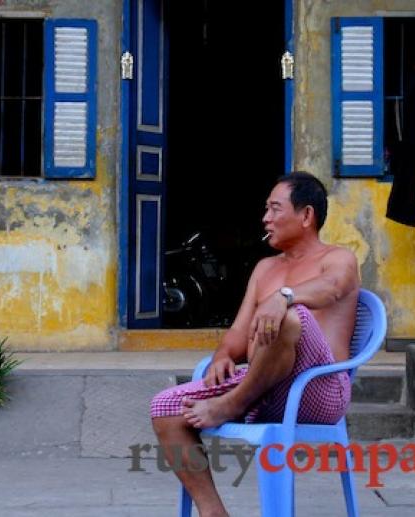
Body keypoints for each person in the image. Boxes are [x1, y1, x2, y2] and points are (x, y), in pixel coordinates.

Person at [150, 172, 359, 517]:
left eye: (275, 209)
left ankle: (233, 402)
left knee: (292, 317)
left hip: (318, 391)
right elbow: (238, 333)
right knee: (165, 408)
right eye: (266, 210)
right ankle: (213, 512)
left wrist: (285, 297)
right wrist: (221, 355)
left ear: (306, 216)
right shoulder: (265, 268)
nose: (265, 219)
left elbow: (332, 288)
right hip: (265, 386)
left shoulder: (337, 259)